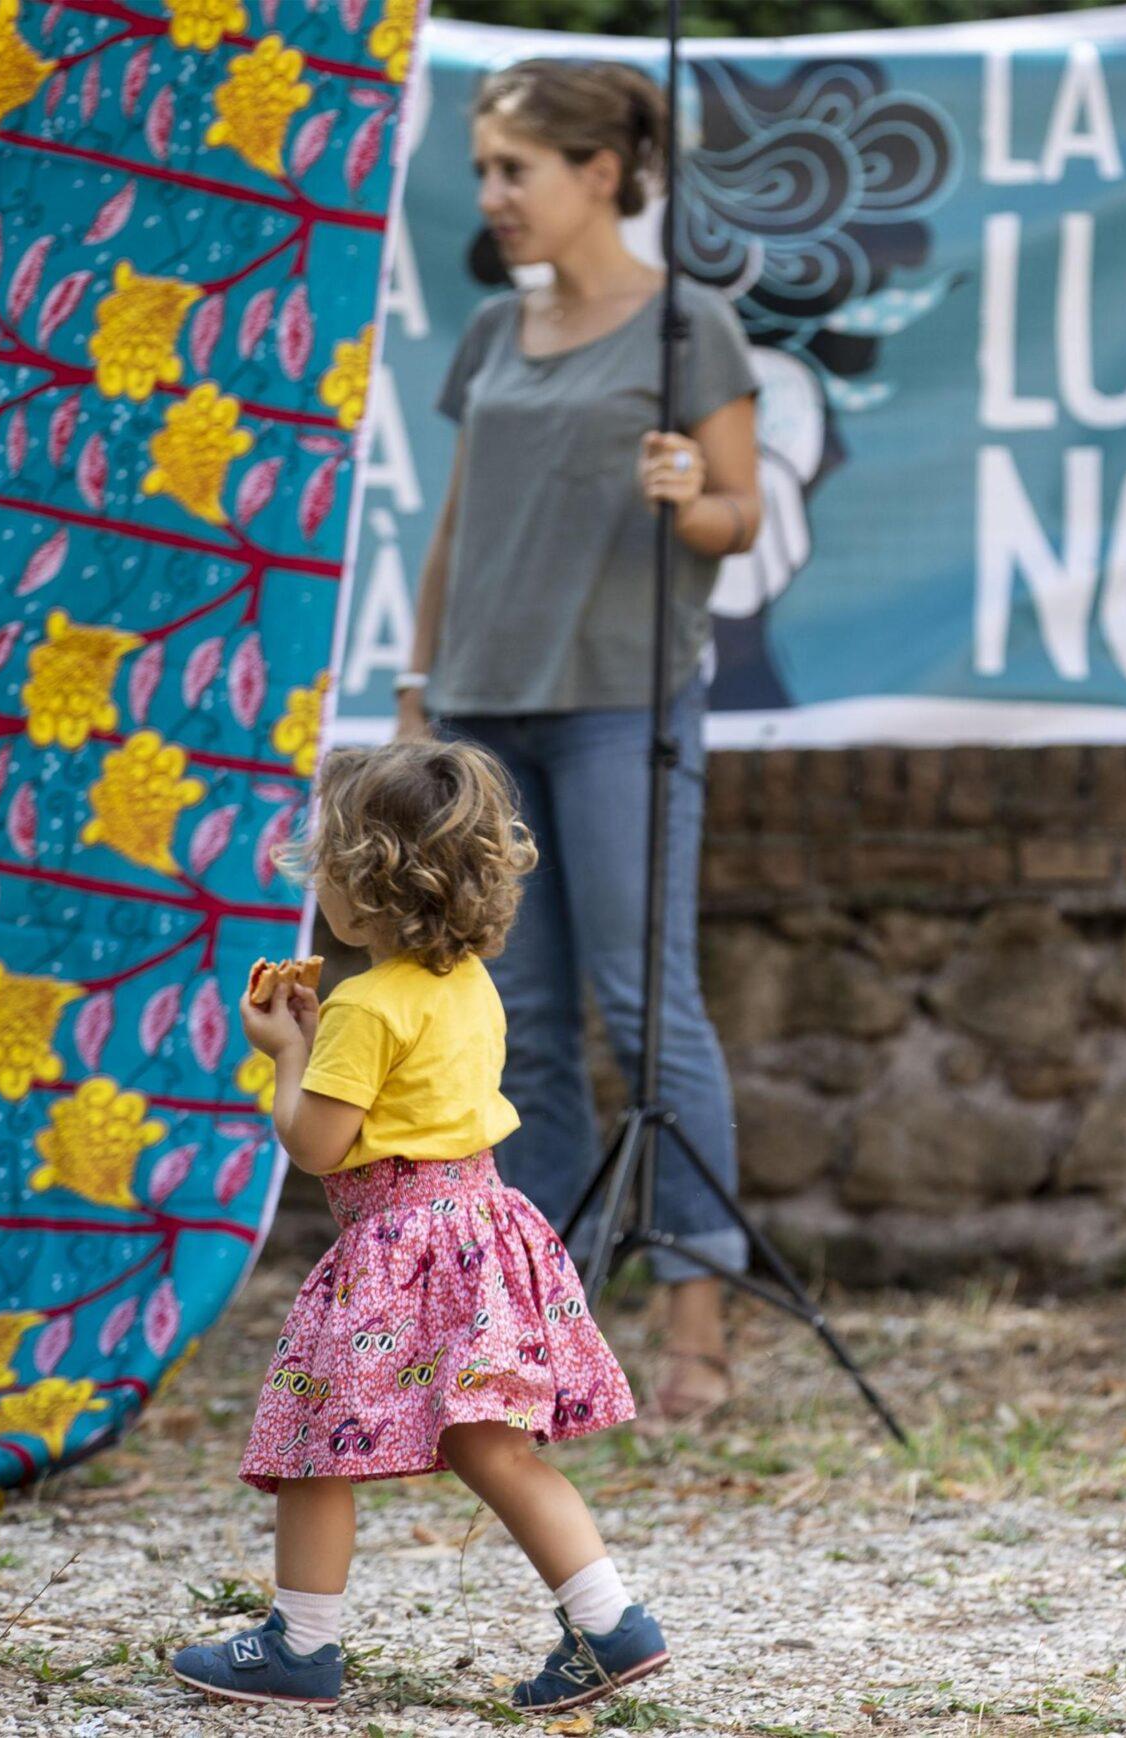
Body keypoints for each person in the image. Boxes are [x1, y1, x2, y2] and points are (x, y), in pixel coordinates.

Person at [396, 58, 764, 1423]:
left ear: (601, 173)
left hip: (622, 700)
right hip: (484, 709)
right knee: (519, 1025)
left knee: (645, 1000)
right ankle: (530, 1324)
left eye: (516, 170)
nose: (493, 195)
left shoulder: (689, 330)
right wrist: (418, 692)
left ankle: (697, 1312)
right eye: (486, 170)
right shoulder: (495, 332)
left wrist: (692, 498)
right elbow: (455, 523)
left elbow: (741, 518)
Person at [170, 740, 668, 1715]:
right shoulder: (467, 983)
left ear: (365, 887)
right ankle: (611, 1622)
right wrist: (323, 1045)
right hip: (485, 1229)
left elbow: (318, 1144)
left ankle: (301, 1645)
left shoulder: (364, 1004)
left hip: (401, 1244)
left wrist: (284, 1052)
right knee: (497, 1448)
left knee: (314, 1441)